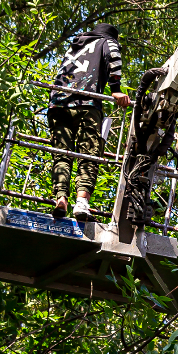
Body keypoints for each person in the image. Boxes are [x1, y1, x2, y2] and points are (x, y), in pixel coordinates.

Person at [47, 22, 129, 220]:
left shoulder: (76, 45)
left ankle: (61, 198)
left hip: (58, 103)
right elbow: (114, 58)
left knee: (62, 153)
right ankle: (81, 202)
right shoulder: (106, 41)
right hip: (87, 102)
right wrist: (115, 89)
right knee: (89, 152)